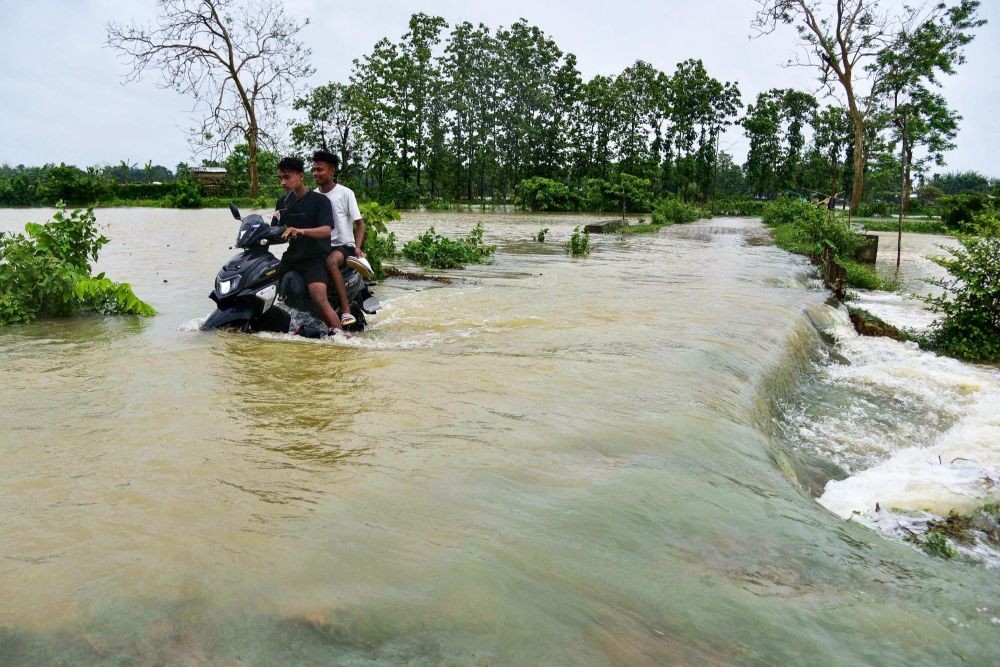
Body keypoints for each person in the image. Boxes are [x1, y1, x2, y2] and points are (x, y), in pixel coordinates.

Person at [272, 156, 346, 332]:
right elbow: (274, 231)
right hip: (291, 258)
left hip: (314, 259)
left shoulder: (320, 201)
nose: (283, 182)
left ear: (300, 176)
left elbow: (326, 230)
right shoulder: (282, 202)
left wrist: (301, 231)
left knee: (319, 299)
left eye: (287, 177)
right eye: (280, 178)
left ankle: (342, 337)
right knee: (266, 287)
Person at [312, 150, 371, 327]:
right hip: (321, 247)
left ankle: (345, 310)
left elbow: (360, 225)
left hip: (342, 247)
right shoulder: (313, 196)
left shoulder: (345, 193)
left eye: (320, 170)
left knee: (331, 262)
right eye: (314, 169)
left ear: (332, 171)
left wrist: (357, 247)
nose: (315, 173)